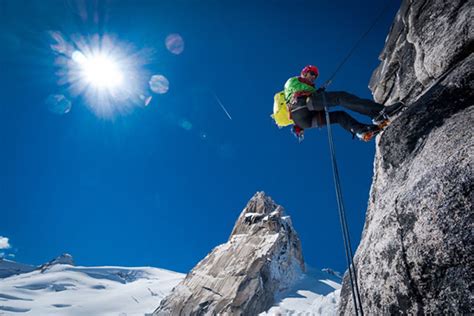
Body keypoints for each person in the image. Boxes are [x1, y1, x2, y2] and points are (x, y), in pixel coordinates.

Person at [284, 65, 400, 141]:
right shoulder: (293, 80)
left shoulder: (307, 87)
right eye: (311, 73)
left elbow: (307, 91)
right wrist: (316, 91)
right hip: (302, 104)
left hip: (304, 121)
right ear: (304, 72)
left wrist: (316, 92)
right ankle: (380, 112)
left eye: (315, 75)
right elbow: (299, 89)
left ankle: (362, 131)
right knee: (340, 97)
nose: (313, 77)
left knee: (340, 116)